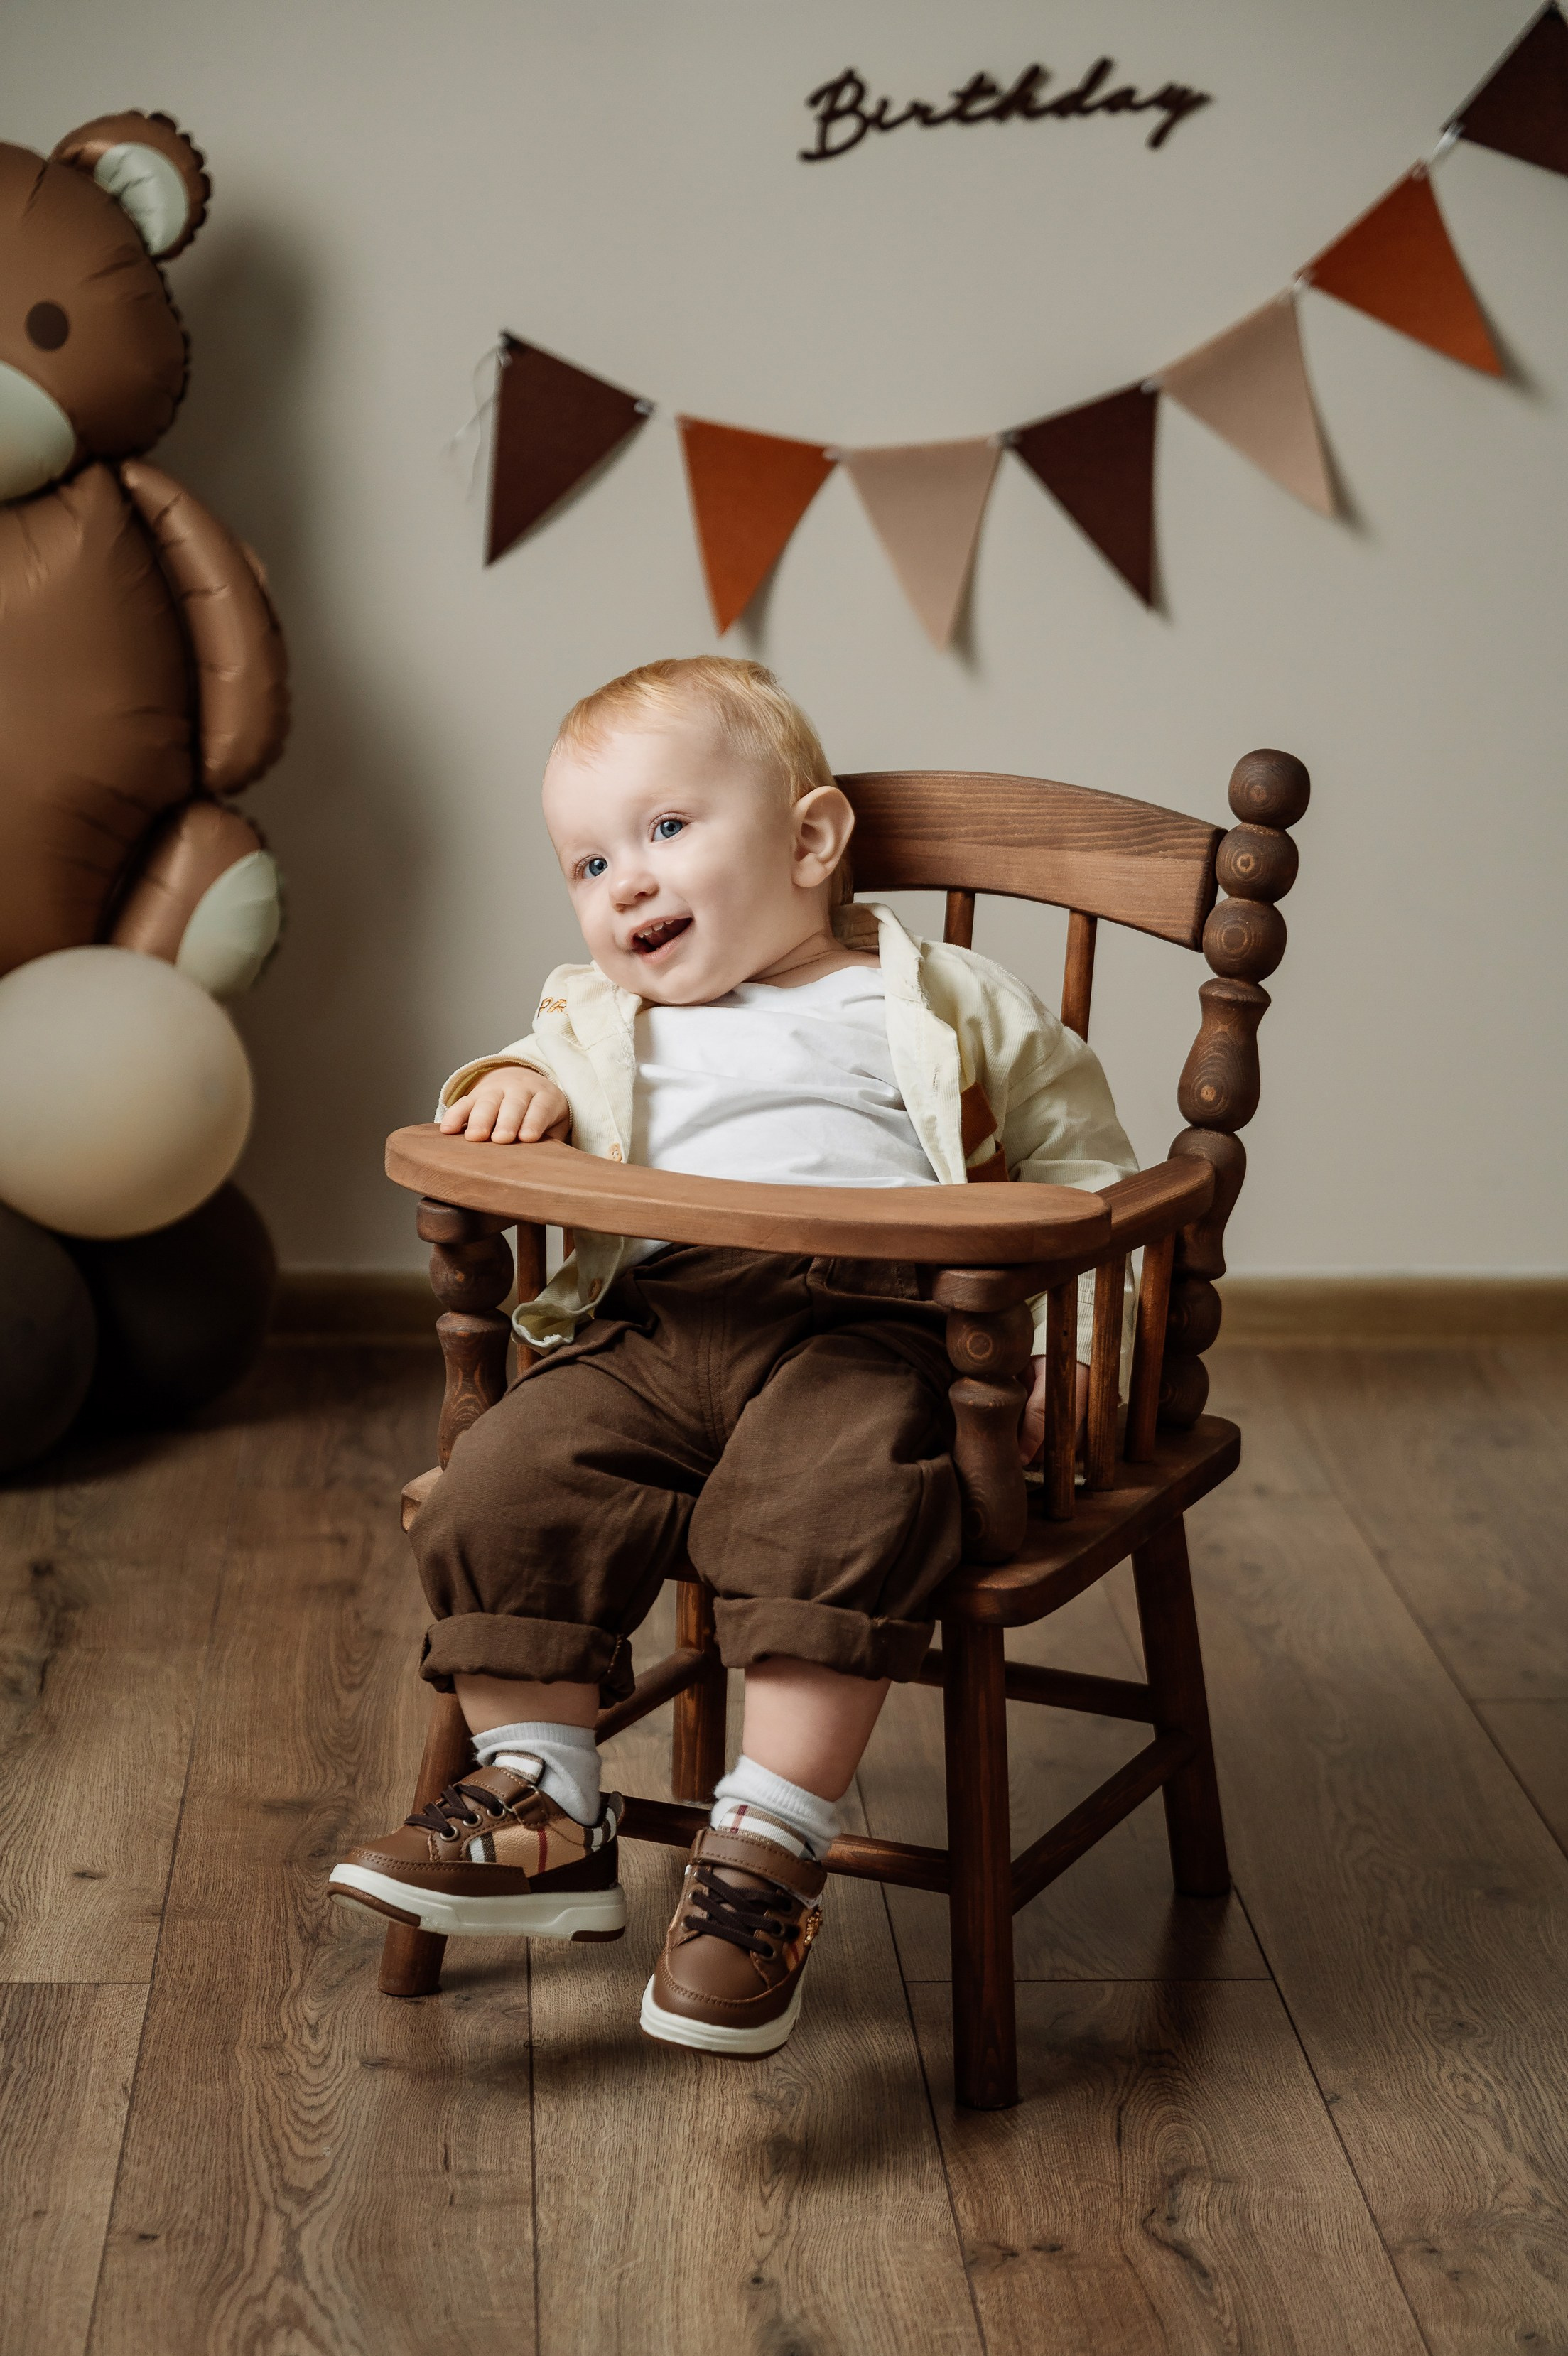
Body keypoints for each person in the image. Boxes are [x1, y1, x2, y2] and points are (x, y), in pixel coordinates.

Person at [330, 656, 1136, 2057]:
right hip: (657, 1316)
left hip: (872, 1324)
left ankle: (766, 1843)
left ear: (812, 841)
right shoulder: (597, 1014)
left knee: (838, 1498)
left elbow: (1083, 1173)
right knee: (505, 1478)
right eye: (588, 858)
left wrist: (1075, 1351)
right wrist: (506, 1086)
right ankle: (542, 1797)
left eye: (665, 830)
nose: (623, 882)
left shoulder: (940, 997)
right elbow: (515, 1078)